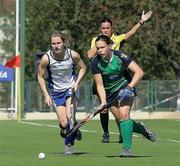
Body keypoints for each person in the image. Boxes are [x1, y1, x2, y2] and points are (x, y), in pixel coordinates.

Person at [87, 11, 152, 143]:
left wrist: (141, 21)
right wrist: (100, 42)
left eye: (107, 28)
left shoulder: (117, 39)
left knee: (124, 114)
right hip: (104, 79)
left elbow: (130, 33)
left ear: (111, 28)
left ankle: (125, 139)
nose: (105, 30)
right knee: (111, 112)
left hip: (120, 78)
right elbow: (89, 55)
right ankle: (111, 132)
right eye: (103, 28)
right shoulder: (96, 40)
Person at [91, 35, 156, 157]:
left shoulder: (119, 56)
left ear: (110, 45)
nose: (99, 50)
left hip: (125, 87)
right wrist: (103, 101)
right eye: (97, 48)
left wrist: (129, 87)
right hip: (110, 93)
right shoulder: (95, 62)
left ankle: (127, 149)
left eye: (102, 47)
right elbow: (99, 85)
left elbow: (139, 72)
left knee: (124, 114)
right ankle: (143, 130)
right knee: (123, 120)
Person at [38, 31, 86, 155]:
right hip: (56, 92)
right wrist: (46, 94)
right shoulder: (46, 58)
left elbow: (83, 68)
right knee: (64, 123)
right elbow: (40, 76)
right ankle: (75, 129)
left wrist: (77, 82)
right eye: (53, 43)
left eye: (59, 43)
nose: (56, 46)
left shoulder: (73, 55)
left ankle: (68, 145)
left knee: (70, 117)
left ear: (64, 43)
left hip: (71, 89)